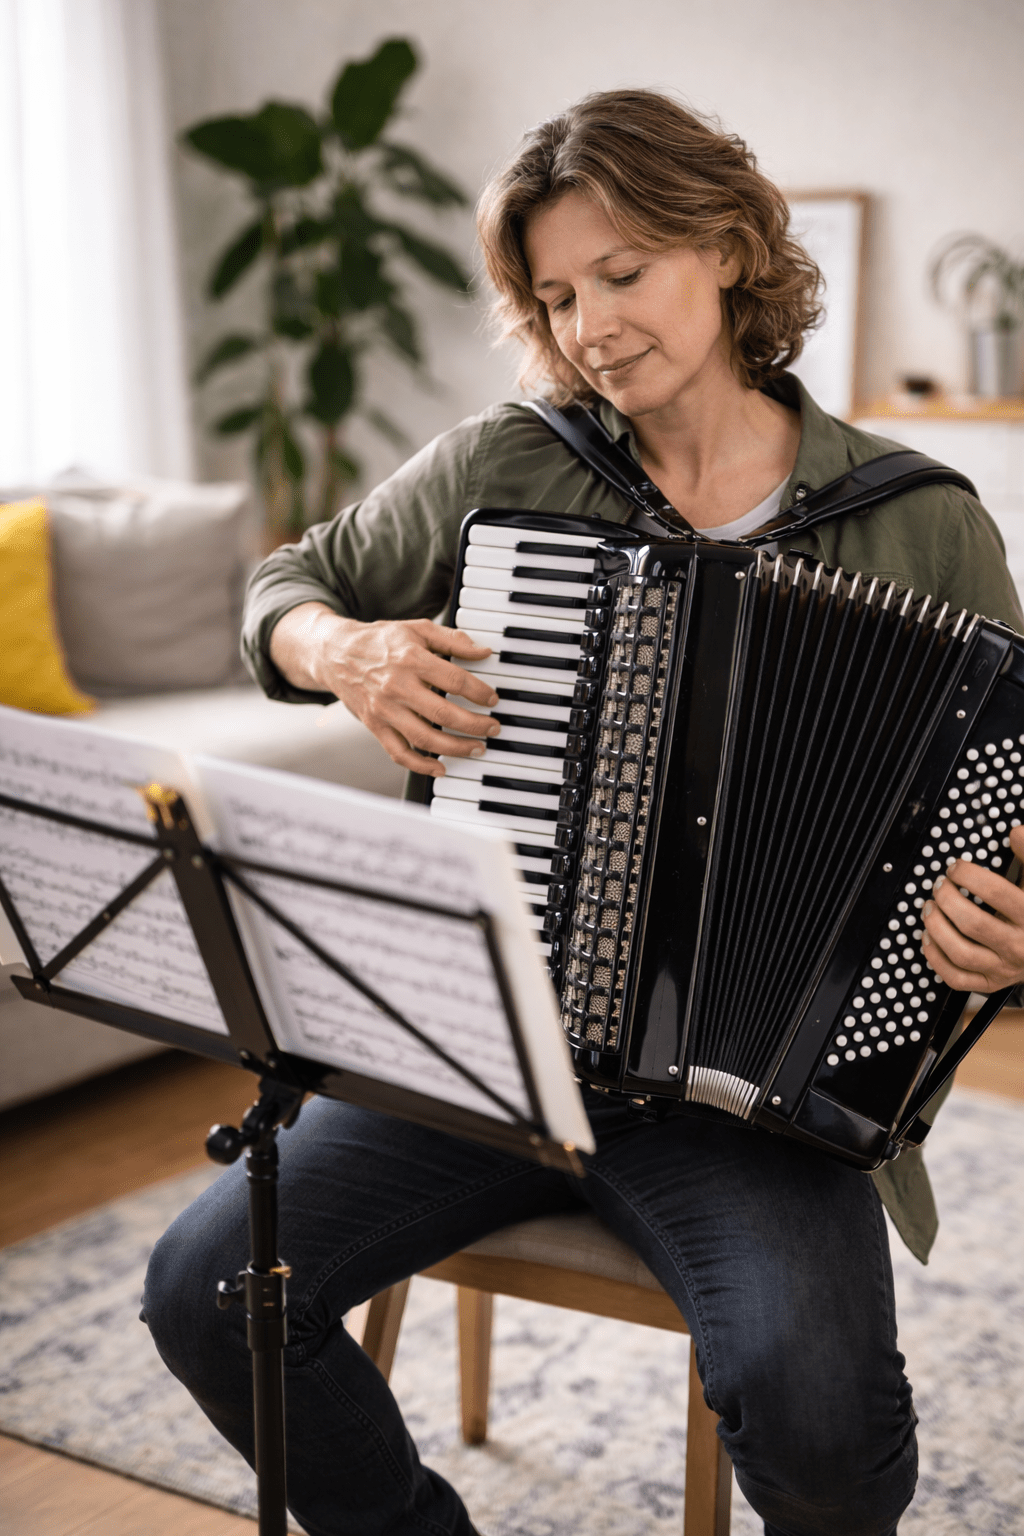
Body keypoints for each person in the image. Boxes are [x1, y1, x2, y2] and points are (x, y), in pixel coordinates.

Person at [143, 90, 1024, 1536]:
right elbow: (283, 587)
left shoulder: (918, 519)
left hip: (766, 1103)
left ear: (728, 246)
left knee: (817, 1415)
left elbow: (1013, 797)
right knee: (205, 1288)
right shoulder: (514, 464)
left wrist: (1011, 926)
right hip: (484, 1050)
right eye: (556, 295)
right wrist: (344, 651)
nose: (592, 325)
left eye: (623, 273)